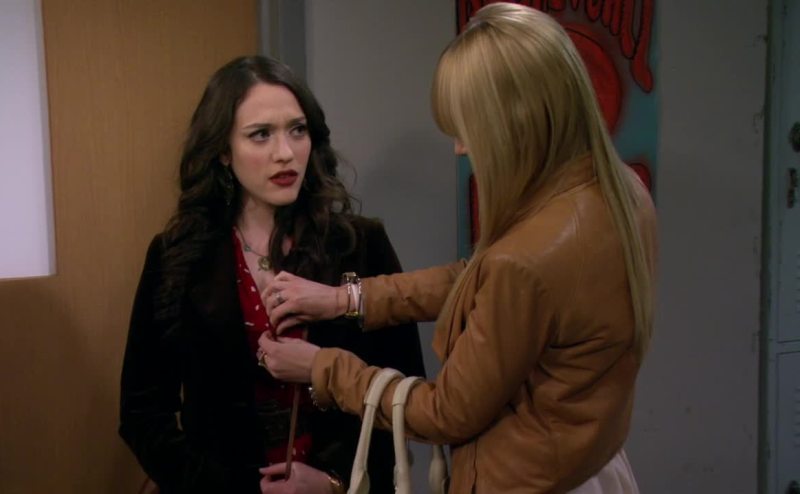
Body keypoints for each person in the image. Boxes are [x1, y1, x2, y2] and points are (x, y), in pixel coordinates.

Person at [257, 4, 657, 493]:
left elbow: (446, 412)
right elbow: (479, 278)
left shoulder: (528, 259)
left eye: (468, 129)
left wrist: (321, 367)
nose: (460, 149)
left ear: (517, 121)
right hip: (590, 468)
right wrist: (347, 299)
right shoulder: (618, 192)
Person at [118, 55, 426, 494]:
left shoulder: (360, 244)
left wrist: (336, 481)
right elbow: (142, 411)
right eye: (260, 134)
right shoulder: (177, 256)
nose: (285, 153)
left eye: (297, 130)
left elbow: (403, 392)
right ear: (223, 150)